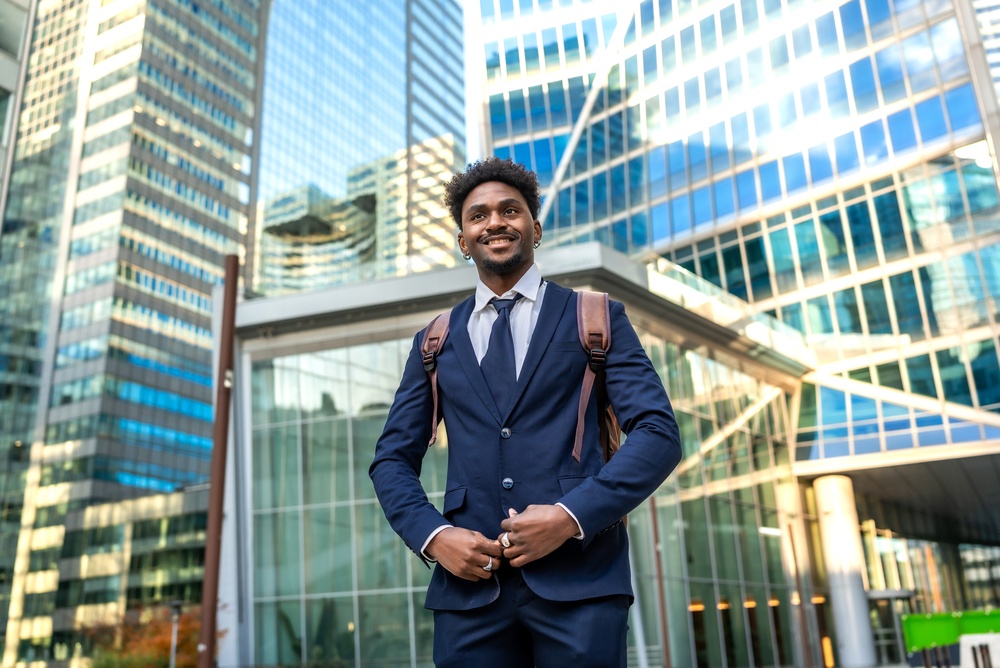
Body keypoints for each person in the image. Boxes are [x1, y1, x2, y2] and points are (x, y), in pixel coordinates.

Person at [369, 157, 681, 667]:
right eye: (478, 216)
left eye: (509, 210)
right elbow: (391, 461)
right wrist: (435, 536)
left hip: (582, 584)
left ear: (534, 227)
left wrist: (569, 516)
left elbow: (658, 434)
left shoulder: (595, 316)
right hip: (469, 595)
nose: (495, 222)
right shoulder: (434, 340)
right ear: (463, 239)